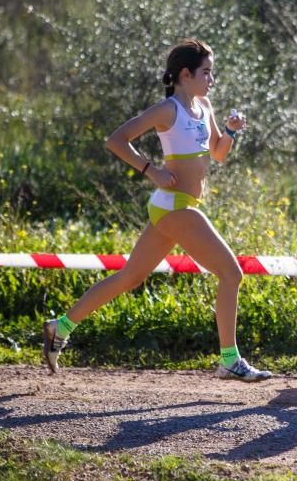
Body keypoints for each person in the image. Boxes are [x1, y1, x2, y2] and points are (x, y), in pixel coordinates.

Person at [41, 38, 271, 382]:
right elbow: (116, 140)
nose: (212, 79)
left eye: (212, 73)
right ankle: (229, 359)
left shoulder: (204, 106)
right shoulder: (168, 110)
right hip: (176, 208)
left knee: (131, 277)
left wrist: (230, 131)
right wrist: (152, 171)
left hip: (174, 208)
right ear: (185, 74)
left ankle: (60, 326)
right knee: (231, 273)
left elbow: (218, 154)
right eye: (206, 72)